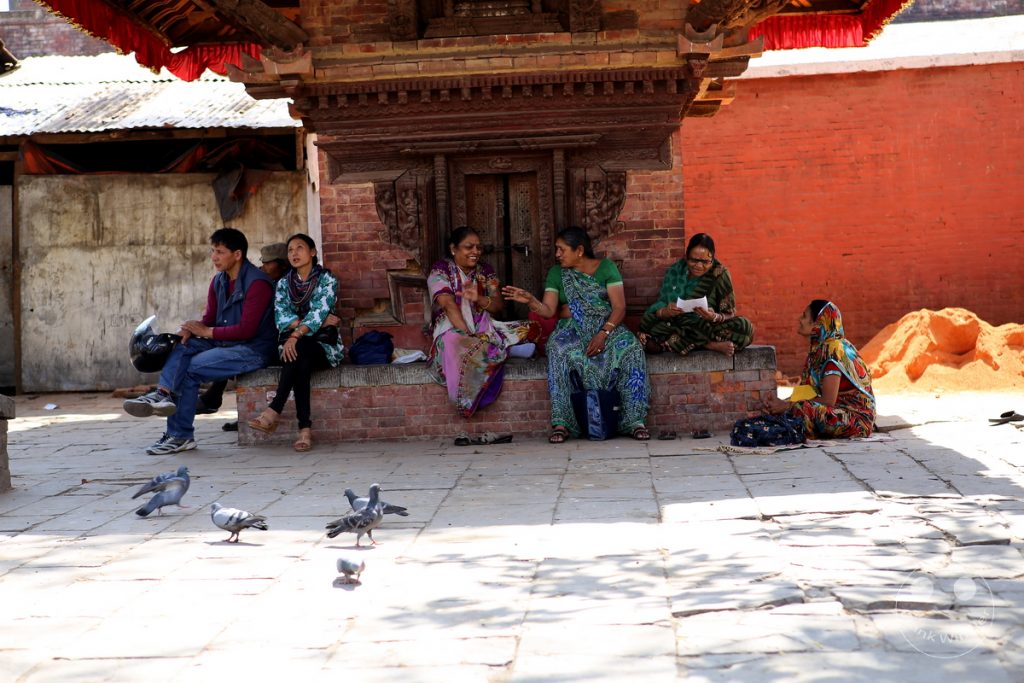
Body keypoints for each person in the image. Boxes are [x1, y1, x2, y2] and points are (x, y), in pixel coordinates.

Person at [124, 227, 277, 454]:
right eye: (213, 251)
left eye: (220, 252)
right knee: (181, 346)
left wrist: (207, 332)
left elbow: (247, 330)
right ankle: (163, 396)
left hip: (252, 349)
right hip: (223, 342)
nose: (214, 257)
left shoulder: (258, 284)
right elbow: (210, 319)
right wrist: (189, 330)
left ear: (237, 254)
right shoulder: (218, 281)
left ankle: (179, 434)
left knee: (189, 369)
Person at [503, 227, 650, 443]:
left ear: (579, 250)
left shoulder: (606, 268)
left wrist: (603, 334)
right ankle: (562, 422)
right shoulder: (557, 273)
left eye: (561, 249)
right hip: (571, 329)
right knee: (557, 348)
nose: (557, 254)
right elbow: (549, 310)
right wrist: (531, 301)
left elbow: (619, 307)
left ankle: (634, 420)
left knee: (632, 348)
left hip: (607, 326)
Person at [427, 226, 540, 417]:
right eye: (468, 247)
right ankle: (502, 348)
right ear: (453, 248)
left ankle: (495, 346)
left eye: (478, 247)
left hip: (485, 328)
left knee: (531, 329)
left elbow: (497, 307)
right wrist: (469, 335)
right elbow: (448, 305)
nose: (475, 252)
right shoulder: (441, 270)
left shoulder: (486, 271)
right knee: (455, 343)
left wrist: (478, 298)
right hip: (454, 329)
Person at [247, 234, 345, 451]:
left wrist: (296, 333)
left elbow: (319, 312)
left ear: (312, 253)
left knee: (299, 350)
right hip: (297, 347)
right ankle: (304, 430)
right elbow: (281, 316)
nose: (294, 253)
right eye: (290, 250)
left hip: (324, 347)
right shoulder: (283, 284)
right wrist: (310, 324)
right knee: (301, 362)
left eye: (300, 248)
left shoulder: (327, 280)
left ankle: (274, 409)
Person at [196, 241, 290, 424]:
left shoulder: (281, 284)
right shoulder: (260, 281)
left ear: (282, 264)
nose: (264, 267)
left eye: (269, 263)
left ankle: (214, 396)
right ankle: (218, 400)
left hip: (277, 343)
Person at [763, 300, 876, 438]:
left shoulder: (834, 350)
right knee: (793, 410)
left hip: (857, 420)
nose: (800, 320)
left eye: (804, 316)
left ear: (818, 324)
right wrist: (781, 403)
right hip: (836, 411)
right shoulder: (818, 350)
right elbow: (808, 393)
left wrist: (787, 406)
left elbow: (828, 401)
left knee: (799, 409)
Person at [638, 233, 754, 357]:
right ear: (686, 256)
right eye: (693, 260)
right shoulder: (675, 271)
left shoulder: (719, 274)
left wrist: (714, 317)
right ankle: (708, 344)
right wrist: (665, 311)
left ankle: (674, 343)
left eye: (705, 262)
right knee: (647, 322)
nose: (699, 266)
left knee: (745, 328)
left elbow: (729, 313)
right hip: (676, 323)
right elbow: (661, 303)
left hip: (707, 325)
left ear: (712, 259)